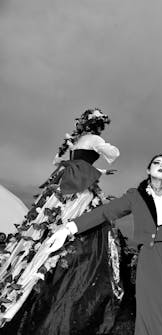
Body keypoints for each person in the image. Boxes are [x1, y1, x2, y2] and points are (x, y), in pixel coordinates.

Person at [47, 139, 162, 335]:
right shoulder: (135, 196)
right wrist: (68, 229)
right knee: (153, 303)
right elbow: (105, 212)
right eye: (157, 163)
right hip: (151, 255)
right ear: (148, 169)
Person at [0, 109, 122, 334]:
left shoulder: (75, 142)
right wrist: (102, 148)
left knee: (45, 222)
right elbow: (114, 152)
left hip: (63, 184)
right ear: (98, 125)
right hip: (78, 189)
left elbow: (62, 161)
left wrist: (101, 169)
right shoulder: (94, 139)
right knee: (79, 221)